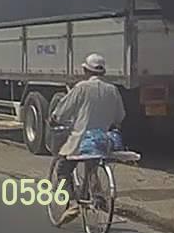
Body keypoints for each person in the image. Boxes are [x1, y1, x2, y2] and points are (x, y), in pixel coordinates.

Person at [49, 53, 127, 223]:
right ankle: (97, 195)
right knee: (92, 166)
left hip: (81, 141)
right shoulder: (112, 90)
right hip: (103, 141)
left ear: (86, 70)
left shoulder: (81, 88)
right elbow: (119, 116)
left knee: (62, 168)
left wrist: (55, 118)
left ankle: (72, 203)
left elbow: (63, 110)